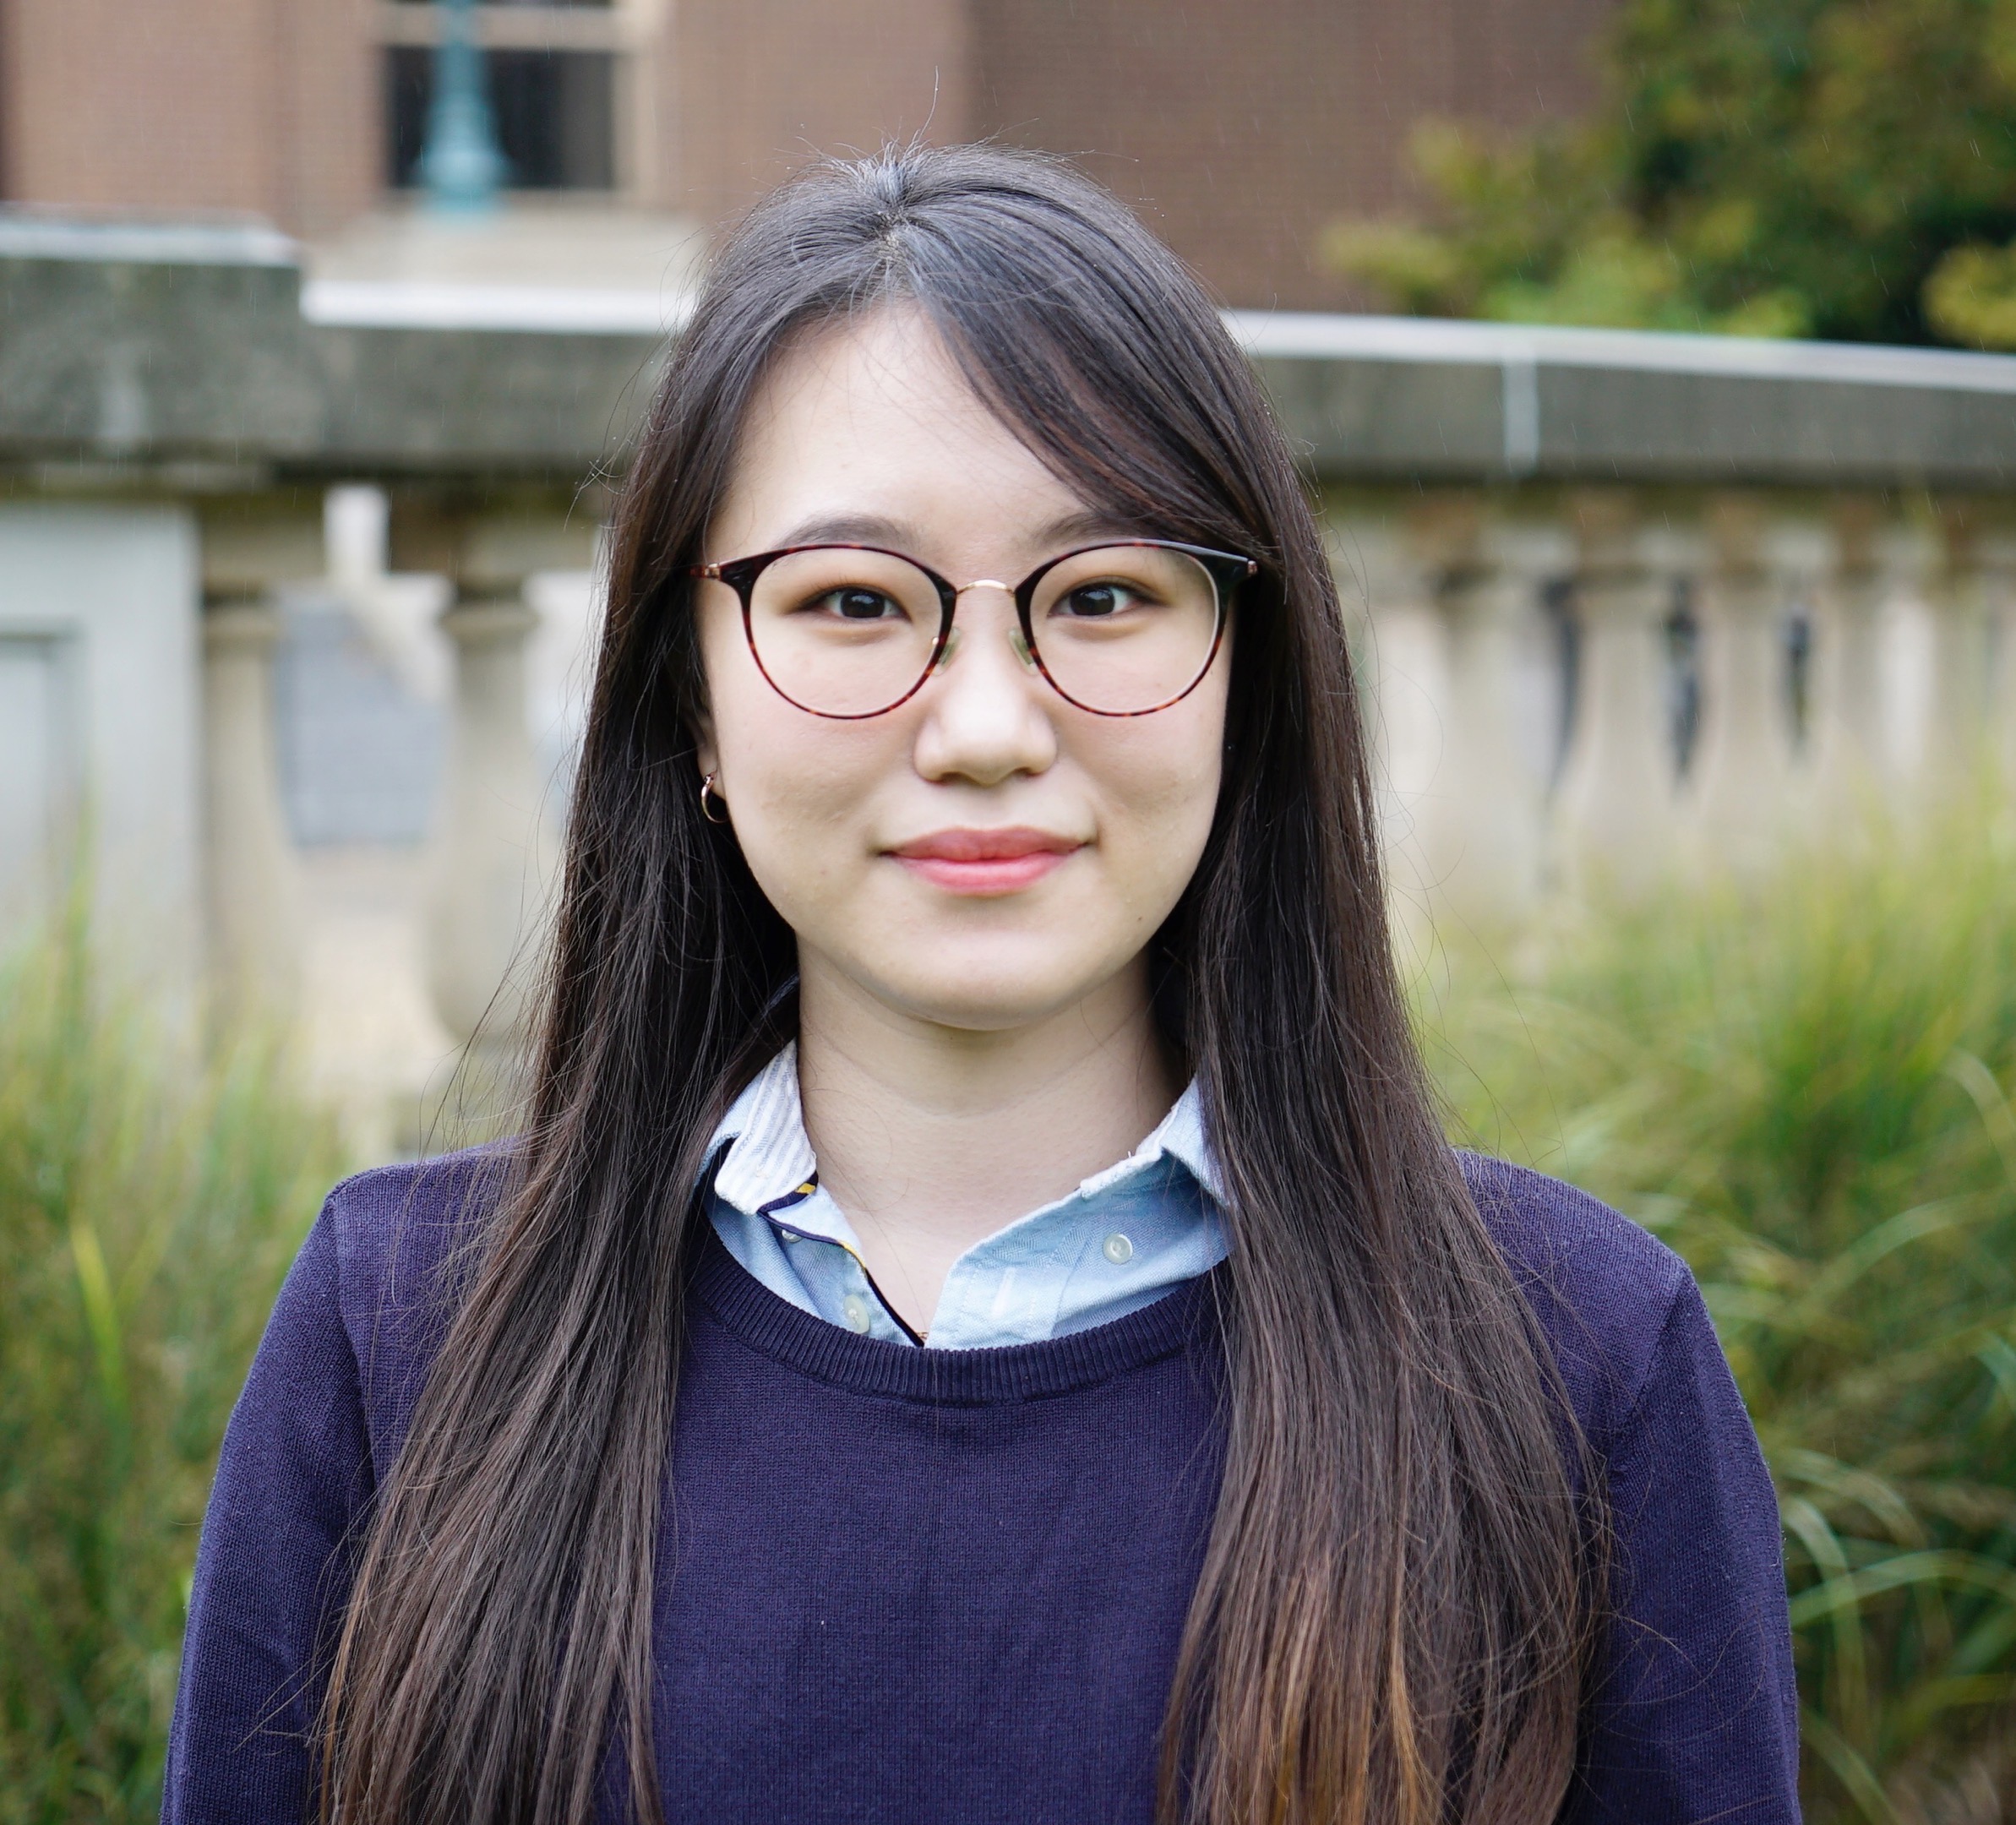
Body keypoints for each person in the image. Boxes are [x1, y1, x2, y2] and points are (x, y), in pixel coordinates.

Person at [164, 144, 1798, 1825]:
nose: (987, 729)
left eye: (1101, 596)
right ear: (694, 705)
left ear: (1250, 670)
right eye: (855, 603)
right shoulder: (401, 1342)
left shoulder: (1572, 1366)